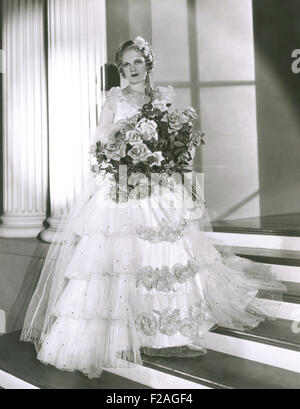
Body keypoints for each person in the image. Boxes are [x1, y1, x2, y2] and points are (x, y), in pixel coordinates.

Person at [20, 36, 286, 380]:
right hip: (123, 185)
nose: (131, 70)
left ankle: (165, 332)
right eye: (126, 64)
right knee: (119, 262)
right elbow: (100, 144)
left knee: (165, 257)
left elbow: (175, 150)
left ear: (148, 65)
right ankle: (122, 334)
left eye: (137, 63)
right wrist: (122, 161)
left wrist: (179, 177)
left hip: (159, 186)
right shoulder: (114, 100)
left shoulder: (162, 100)